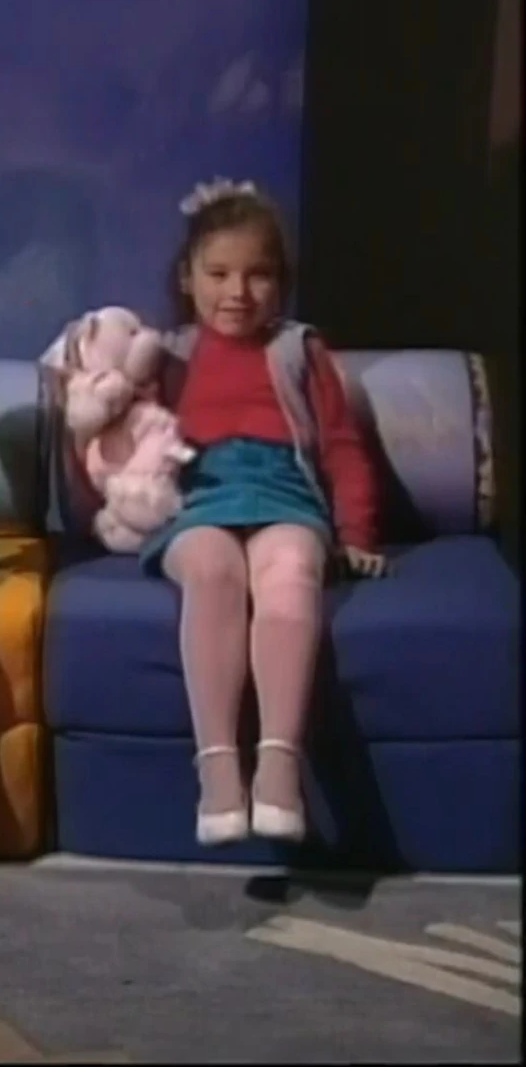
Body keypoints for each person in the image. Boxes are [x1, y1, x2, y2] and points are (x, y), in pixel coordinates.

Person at [140, 179, 389, 848]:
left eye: (259, 275)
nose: (238, 292)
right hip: (201, 499)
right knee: (213, 570)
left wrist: (355, 531)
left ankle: (279, 763)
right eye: (218, 274)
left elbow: (342, 447)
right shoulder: (168, 355)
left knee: (290, 568)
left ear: (281, 282)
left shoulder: (298, 348)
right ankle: (219, 769)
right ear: (188, 278)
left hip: (285, 494)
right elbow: (130, 445)